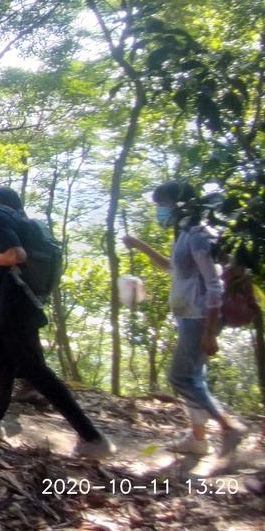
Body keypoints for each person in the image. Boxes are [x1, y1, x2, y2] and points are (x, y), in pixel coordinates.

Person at [0, 168, 113, 458]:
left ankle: (92, 437)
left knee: (35, 370)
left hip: (12, 309)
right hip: (11, 306)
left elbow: (16, 255)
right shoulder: (10, 213)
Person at [123, 181, 248, 456]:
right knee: (195, 377)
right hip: (189, 316)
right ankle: (198, 439)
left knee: (179, 377)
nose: (160, 212)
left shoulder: (200, 236)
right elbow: (171, 267)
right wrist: (139, 245)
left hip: (200, 317)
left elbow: (215, 285)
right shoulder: (185, 234)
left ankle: (229, 427)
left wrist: (210, 331)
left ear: (179, 205)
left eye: (162, 206)